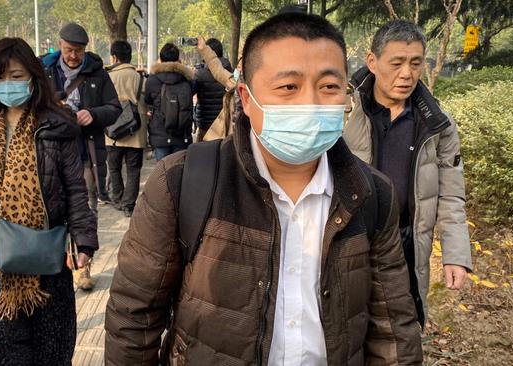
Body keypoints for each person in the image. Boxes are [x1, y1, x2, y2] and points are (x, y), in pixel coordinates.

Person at [105, 12, 422, 365]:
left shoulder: (370, 194)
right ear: (246, 96)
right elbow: (133, 318)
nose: (311, 103)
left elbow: (393, 331)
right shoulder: (182, 181)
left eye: (329, 87)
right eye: (289, 87)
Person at [0, 37, 97, 365]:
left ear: (32, 76)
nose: (8, 84)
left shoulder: (57, 126)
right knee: (2, 345)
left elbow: (75, 188)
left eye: (16, 76)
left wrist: (84, 241)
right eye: (0, 77)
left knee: (53, 344)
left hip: (48, 252)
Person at [344, 20, 472, 327]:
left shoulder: (437, 124)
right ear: (372, 62)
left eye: (416, 63)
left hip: (407, 243)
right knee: (348, 326)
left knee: (402, 329)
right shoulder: (345, 111)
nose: (407, 74)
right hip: (352, 239)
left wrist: (455, 253)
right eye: (397, 63)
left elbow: (451, 193)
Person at [41, 23, 121, 291]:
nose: (73, 56)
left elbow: (114, 107)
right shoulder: (45, 71)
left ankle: (84, 267)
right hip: (50, 152)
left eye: (78, 51)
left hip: (85, 152)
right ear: (60, 45)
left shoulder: (97, 73)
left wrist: (93, 114)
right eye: (68, 50)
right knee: (51, 204)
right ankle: (52, 262)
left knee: (87, 206)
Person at [105, 40, 148, 218]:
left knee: (114, 168)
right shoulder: (140, 77)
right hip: (134, 130)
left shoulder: (107, 76)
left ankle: (117, 197)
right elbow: (145, 102)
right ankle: (129, 205)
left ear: (114, 57)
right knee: (133, 169)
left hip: (113, 130)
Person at [144, 42, 194, 161]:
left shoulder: (152, 80)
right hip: (182, 134)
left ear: (160, 59)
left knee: (162, 173)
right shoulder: (187, 79)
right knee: (179, 172)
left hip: (160, 132)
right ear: (178, 59)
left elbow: (148, 100)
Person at [195, 36, 243, 141]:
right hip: (229, 137)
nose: (239, 70)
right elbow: (218, 71)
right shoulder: (235, 84)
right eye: (238, 67)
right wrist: (204, 49)